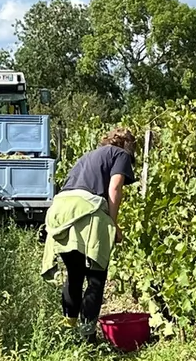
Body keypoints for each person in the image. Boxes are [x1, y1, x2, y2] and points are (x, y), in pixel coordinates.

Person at [41, 127, 136, 342]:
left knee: (74, 273)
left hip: (60, 210)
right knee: (96, 275)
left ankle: (68, 330)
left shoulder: (88, 156)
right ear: (127, 145)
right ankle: (88, 336)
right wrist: (113, 224)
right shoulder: (120, 154)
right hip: (86, 210)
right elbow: (115, 188)